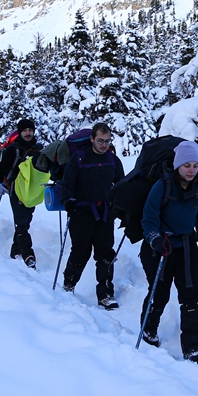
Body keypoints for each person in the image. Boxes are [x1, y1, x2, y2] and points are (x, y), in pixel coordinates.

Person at [139, 140, 198, 364]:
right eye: (186, 165)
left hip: (186, 247)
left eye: (195, 165)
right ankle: (148, 330)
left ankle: (192, 347)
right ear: (177, 165)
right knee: (159, 293)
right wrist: (155, 239)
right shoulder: (162, 187)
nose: (191, 170)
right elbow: (148, 220)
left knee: (191, 297)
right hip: (161, 249)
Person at [60, 122, 124, 308]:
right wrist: (68, 202)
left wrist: (122, 207)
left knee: (105, 254)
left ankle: (106, 294)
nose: (104, 145)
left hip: (105, 214)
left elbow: (121, 185)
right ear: (92, 139)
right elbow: (67, 183)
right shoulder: (79, 158)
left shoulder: (113, 160)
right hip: (81, 213)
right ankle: (69, 284)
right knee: (80, 252)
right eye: (100, 141)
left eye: (107, 141)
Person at [0, 118, 44, 268]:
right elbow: (2, 168)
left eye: (30, 130)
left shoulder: (38, 149)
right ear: (19, 132)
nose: (28, 133)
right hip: (15, 190)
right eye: (24, 130)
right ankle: (28, 256)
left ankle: (15, 252)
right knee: (22, 222)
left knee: (25, 222)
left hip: (32, 191)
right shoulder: (13, 149)